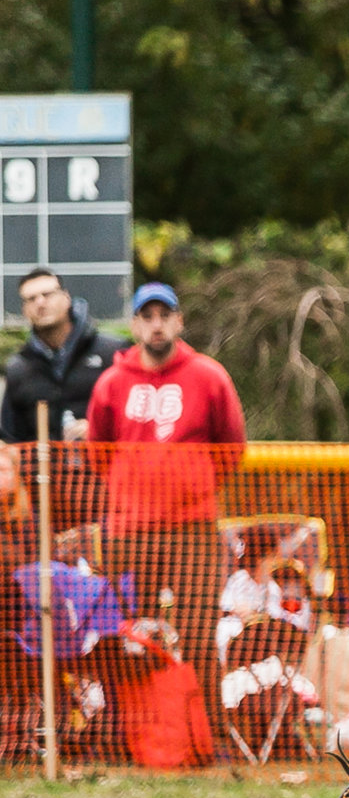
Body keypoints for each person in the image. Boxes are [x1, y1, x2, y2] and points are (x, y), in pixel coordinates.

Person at [82, 282, 246, 665]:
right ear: (135, 325)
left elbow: (231, 447)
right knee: (131, 636)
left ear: (179, 322)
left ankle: (202, 723)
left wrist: (194, 485)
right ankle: (139, 724)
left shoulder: (209, 376)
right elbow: (98, 452)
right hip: (130, 530)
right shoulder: (111, 382)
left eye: (164, 316)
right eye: (147, 317)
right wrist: (131, 490)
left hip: (193, 528)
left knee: (199, 638)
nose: (157, 325)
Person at [4, 266, 124, 444]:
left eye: (47, 294)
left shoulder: (111, 353)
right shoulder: (19, 368)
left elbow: (134, 420)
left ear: (66, 298)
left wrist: (98, 430)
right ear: (24, 309)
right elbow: (10, 437)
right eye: (31, 299)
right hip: (43, 470)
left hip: (103, 467)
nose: (40, 303)